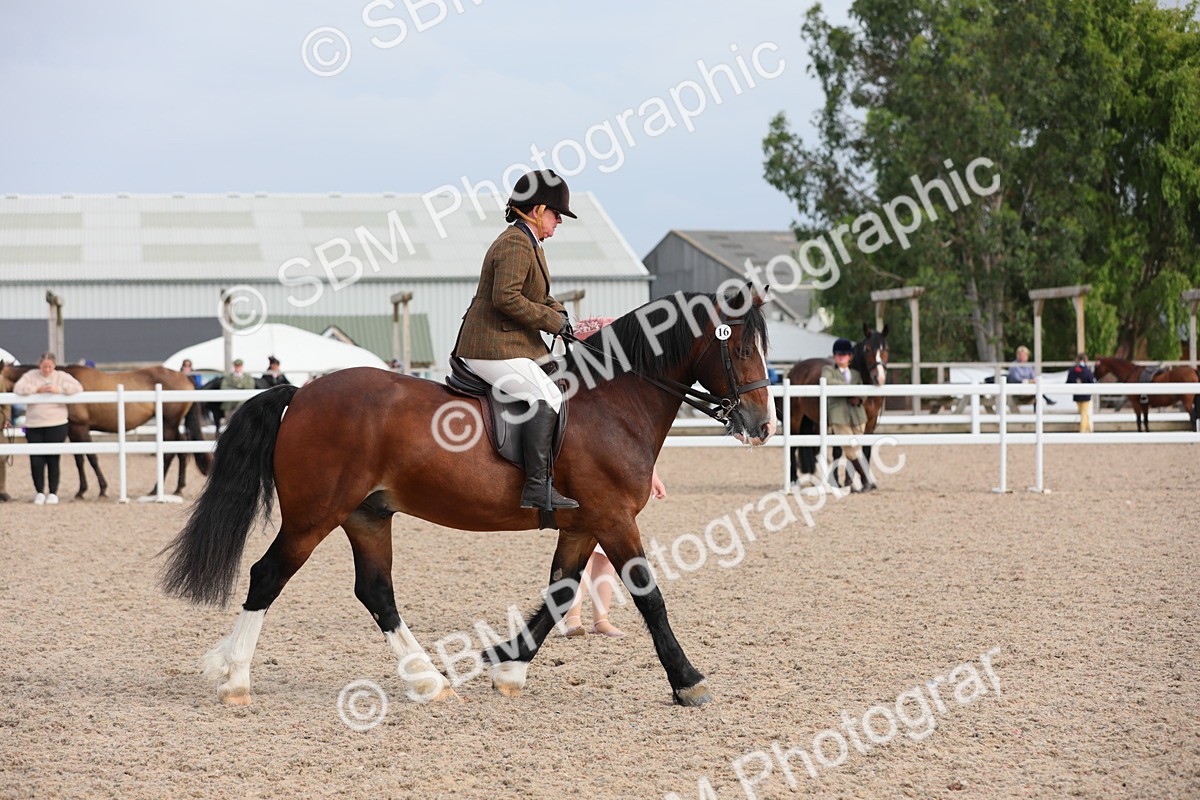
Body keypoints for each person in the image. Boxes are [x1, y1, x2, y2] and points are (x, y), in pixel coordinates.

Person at [452, 169, 578, 511]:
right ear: (538, 210)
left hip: (509, 343)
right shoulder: (515, 243)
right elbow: (505, 298)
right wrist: (552, 321)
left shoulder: (528, 243)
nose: (558, 223)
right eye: (556, 215)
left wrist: (565, 318)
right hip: (491, 345)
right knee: (547, 394)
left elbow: (537, 295)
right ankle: (537, 487)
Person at [560, 317, 665, 638]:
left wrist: (653, 474)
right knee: (582, 552)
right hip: (586, 482)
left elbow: (633, 449)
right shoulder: (575, 390)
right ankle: (572, 618)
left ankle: (600, 617)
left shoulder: (617, 393)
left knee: (604, 556)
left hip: (612, 485)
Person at [12, 352, 83, 504]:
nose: (47, 370)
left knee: (53, 458)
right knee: (36, 460)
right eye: (44, 366)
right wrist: (35, 390)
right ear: (39, 365)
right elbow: (18, 388)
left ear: (54, 366)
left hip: (56, 423)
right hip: (34, 424)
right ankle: (39, 491)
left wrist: (59, 390)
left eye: (49, 367)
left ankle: (52, 492)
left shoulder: (61, 376)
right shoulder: (30, 375)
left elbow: (78, 387)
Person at [821, 338, 873, 492]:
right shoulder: (828, 370)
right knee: (850, 448)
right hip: (839, 415)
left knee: (856, 448)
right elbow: (828, 382)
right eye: (838, 354)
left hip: (857, 415)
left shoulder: (856, 374)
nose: (842, 357)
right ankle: (865, 478)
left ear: (850, 356)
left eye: (845, 354)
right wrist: (850, 389)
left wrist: (859, 398)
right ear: (834, 356)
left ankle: (850, 482)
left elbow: (863, 390)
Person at [1066, 352, 1096, 433]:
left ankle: (1089, 429)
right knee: (1084, 413)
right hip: (1086, 395)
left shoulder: (1072, 370)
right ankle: (1083, 431)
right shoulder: (1087, 370)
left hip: (1076, 394)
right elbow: (1092, 381)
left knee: (1083, 413)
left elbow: (1068, 382)